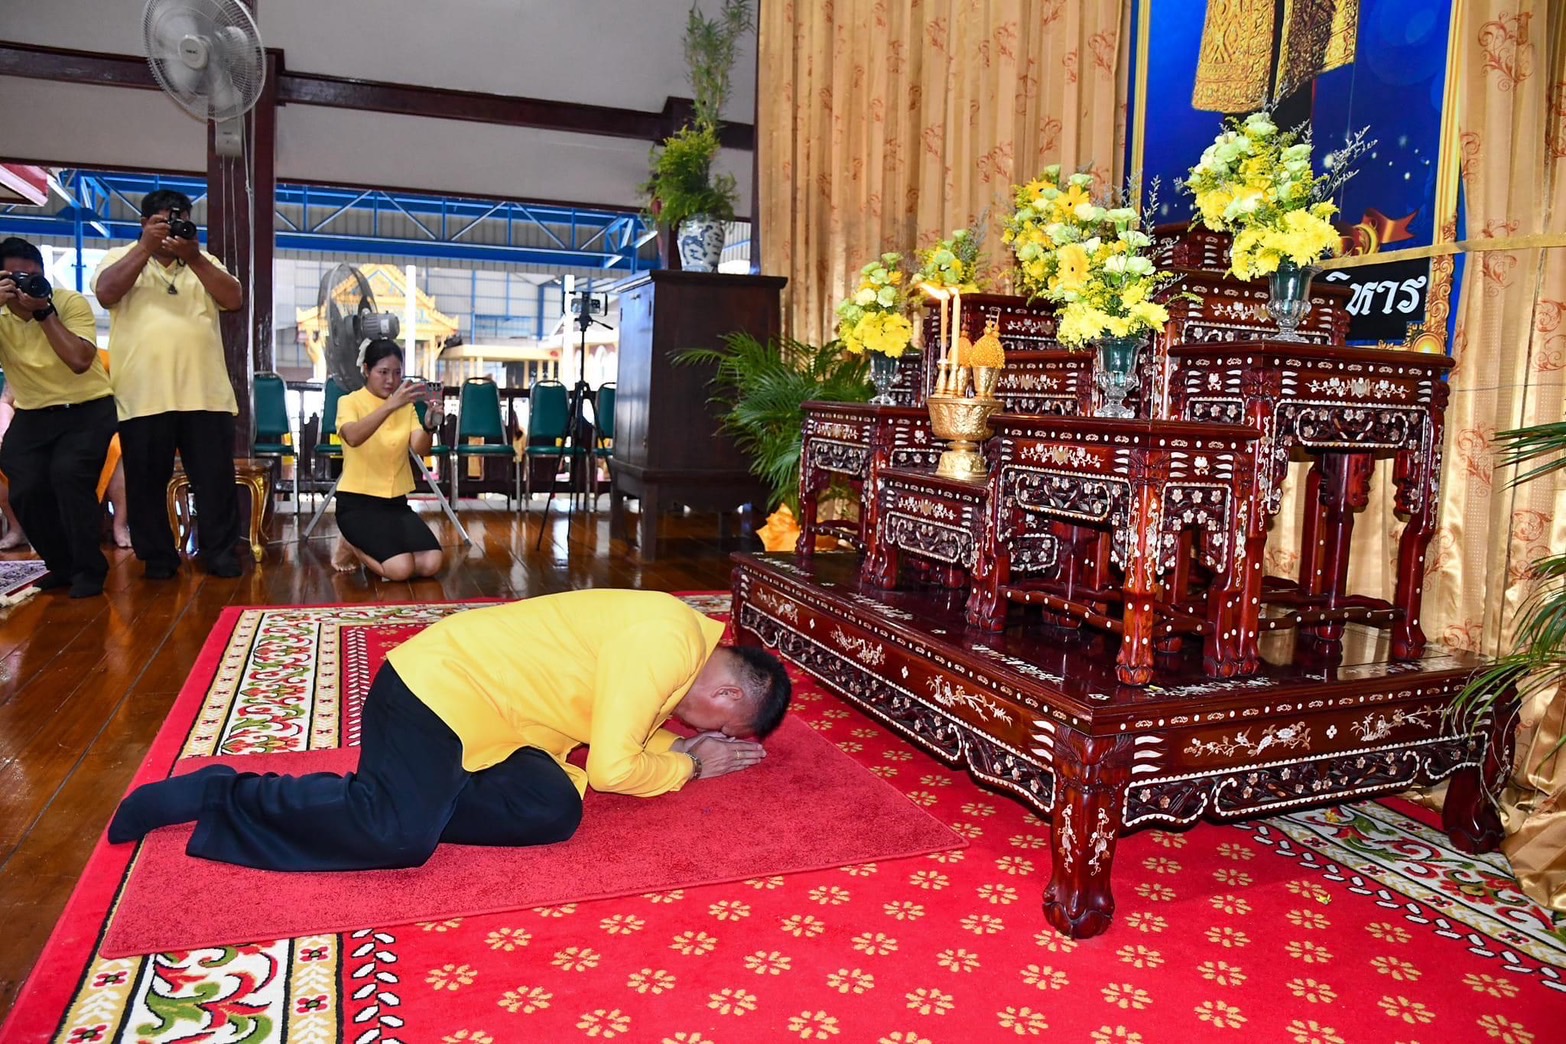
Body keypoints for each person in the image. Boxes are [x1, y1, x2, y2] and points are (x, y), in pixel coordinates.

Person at [108, 589, 793, 871]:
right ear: (728, 690)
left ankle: (403, 793)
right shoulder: (667, 643)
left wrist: (679, 746)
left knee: (552, 807)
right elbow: (616, 767)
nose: (702, 729)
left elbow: (630, 724)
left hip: (501, 729)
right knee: (398, 836)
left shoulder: (678, 644)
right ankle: (222, 793)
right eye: (722, 724)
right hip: (435, 692)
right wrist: (689, 767)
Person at [92, 189, 245, 580]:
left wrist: (194, 257)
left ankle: (221, 554)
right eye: (163, 221)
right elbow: (106, 292)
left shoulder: (203, 260)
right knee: (145, 484)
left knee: (215, 481)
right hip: (143, 395)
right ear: (145, 223)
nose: (172, 228)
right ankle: (158, 558)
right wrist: (145, 248)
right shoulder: (120, 257)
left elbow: (234, 298)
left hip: (205, 395)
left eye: (179, 219)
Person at [0, 238, 117, 597]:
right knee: (27, 488)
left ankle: (88, 570)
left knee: (68, 476)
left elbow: (80, 362)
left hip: (88, 407)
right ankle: (61, 565)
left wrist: (43, 313)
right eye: (15, 278)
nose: (26, 286)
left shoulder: (67, 303)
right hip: (33, 413)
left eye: (33, 277)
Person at [330, 339, 444, 580]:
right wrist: (390, 405)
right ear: (366, 370)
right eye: (382, 372)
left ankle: (367, 546)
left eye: (396, 373)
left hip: (395, 505)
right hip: (357, 504)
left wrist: (430, 426)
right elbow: (353, 437)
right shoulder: (349, 402)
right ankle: (350, 545)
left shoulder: (406, 407)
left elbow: (421, 449)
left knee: (432, 563)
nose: (391, 380)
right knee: (400, 570)